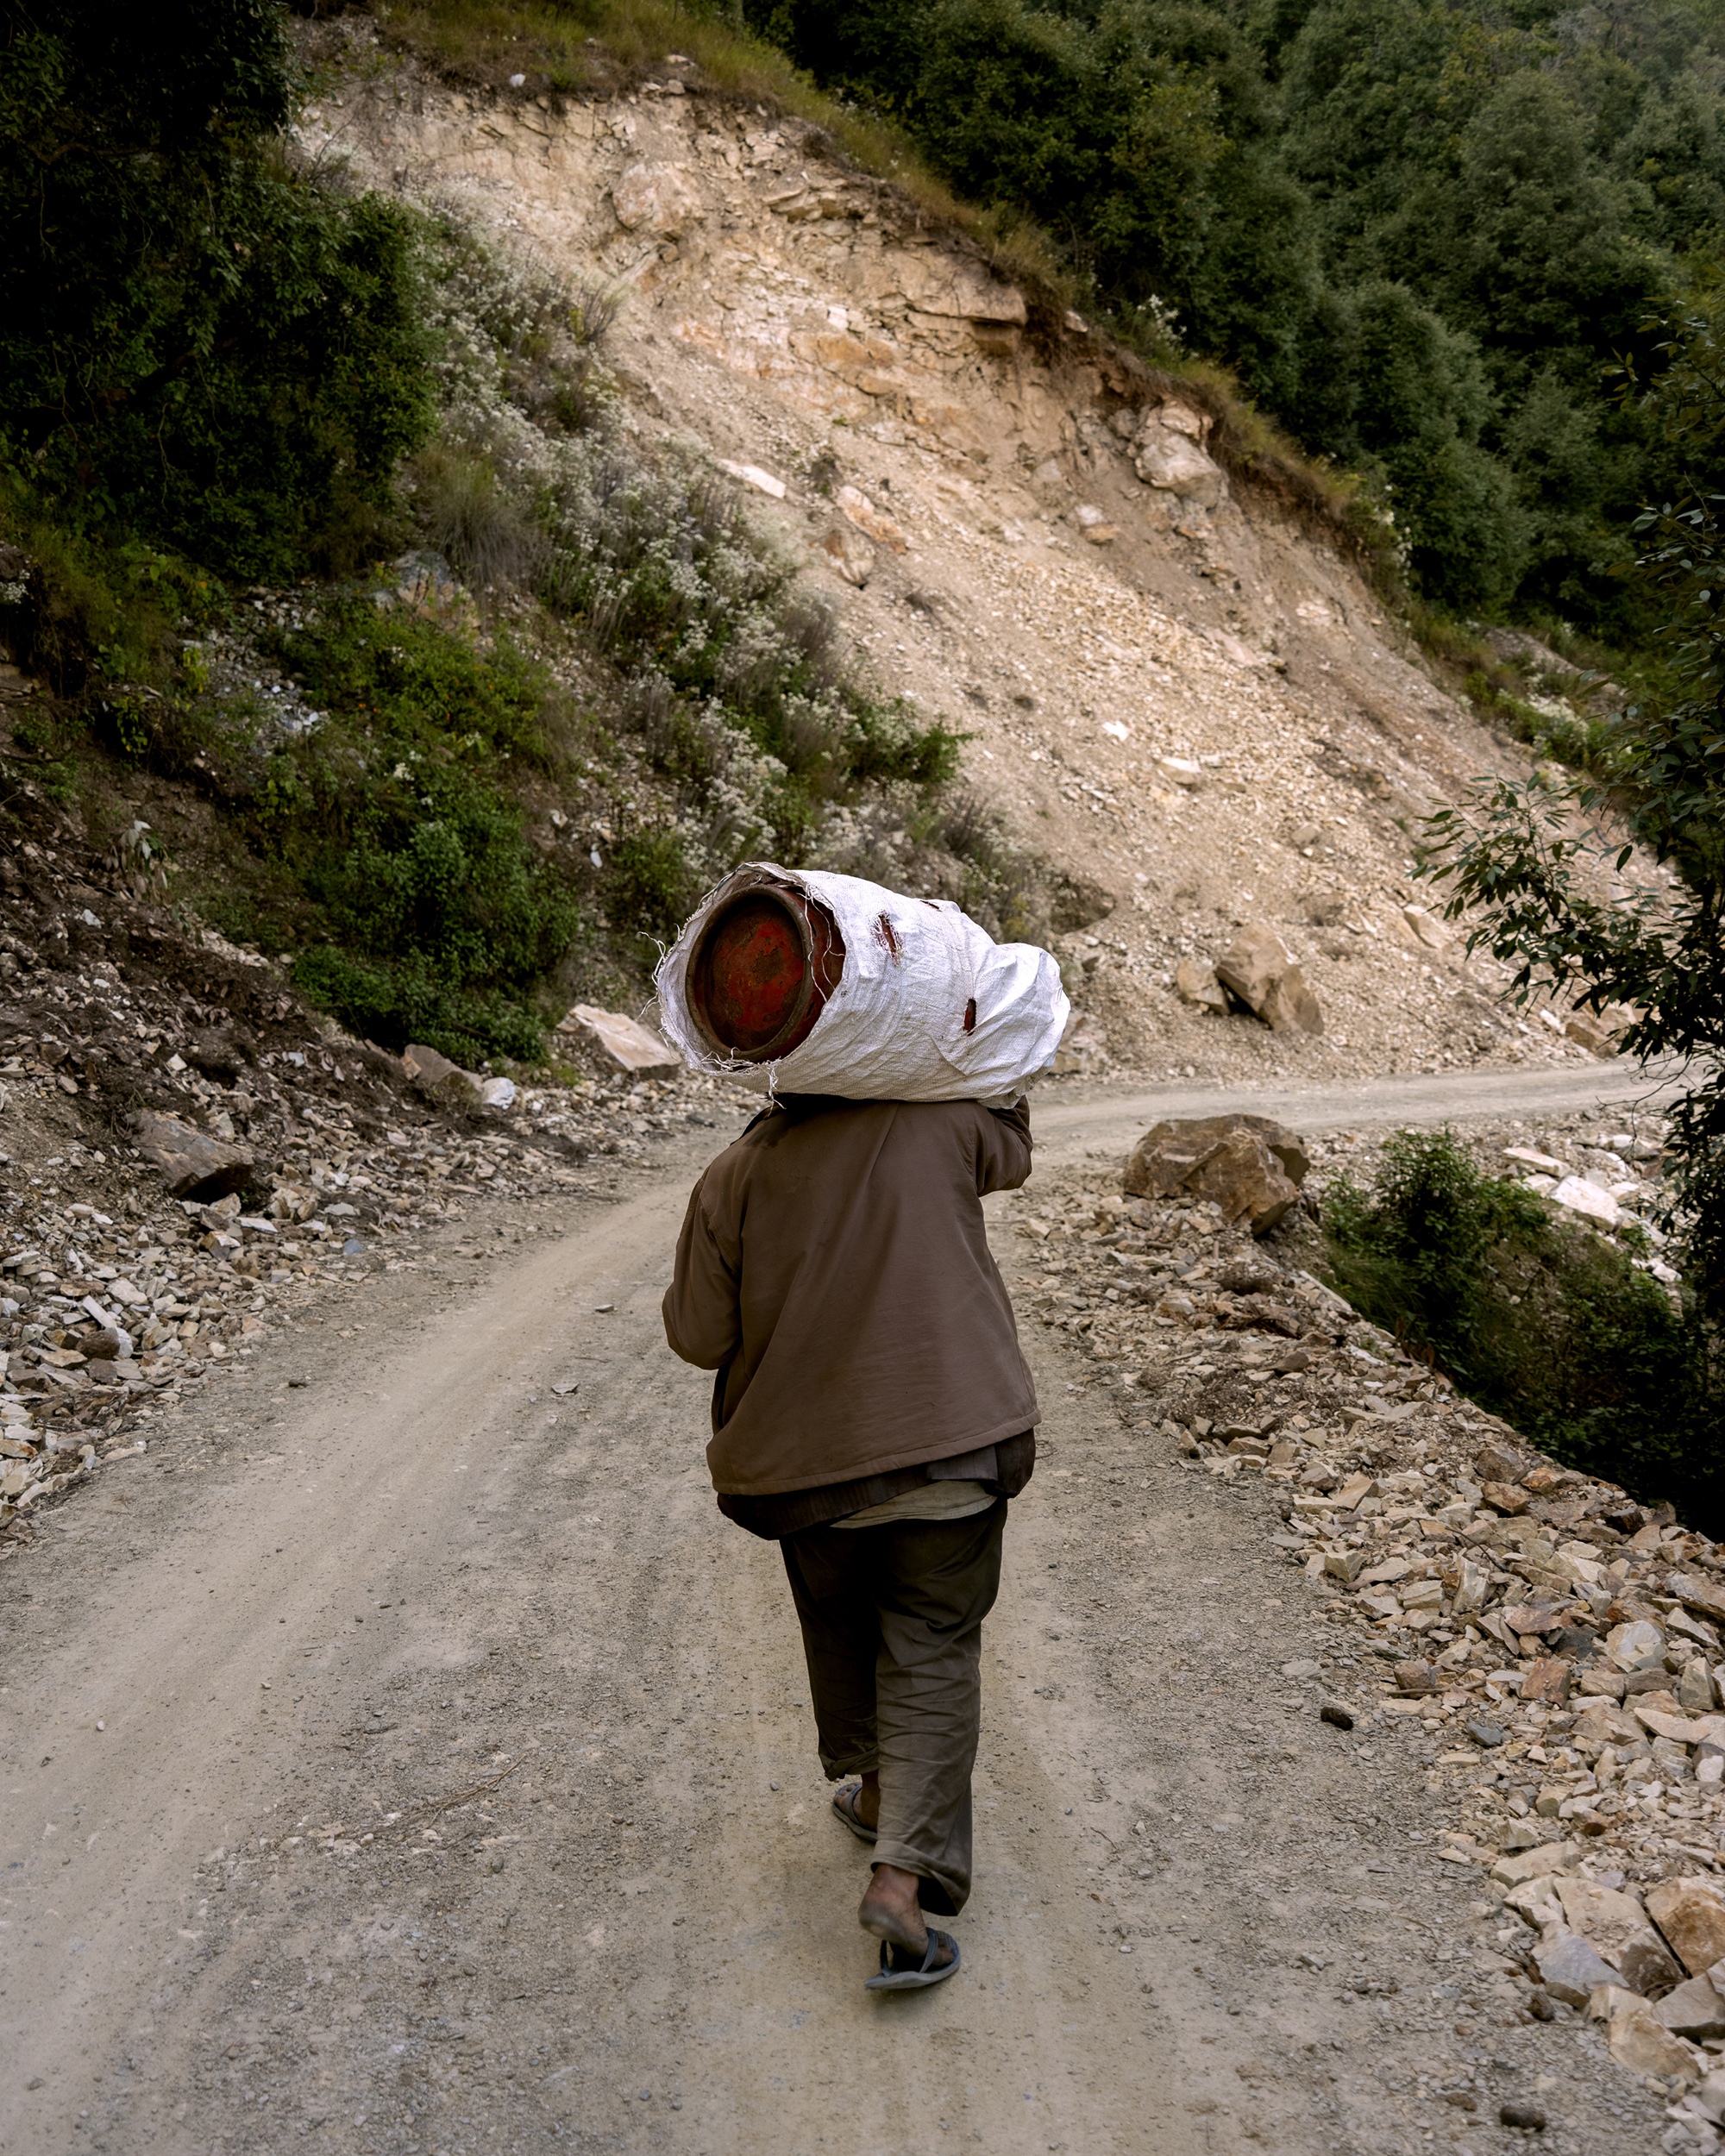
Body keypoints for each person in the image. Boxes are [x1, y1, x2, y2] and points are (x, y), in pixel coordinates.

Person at [662, 1090, 1039, 1991]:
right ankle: (900, 1879)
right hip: (952, 1442)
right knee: (930, 1643)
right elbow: (1012, 1153)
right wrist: (995, 1079)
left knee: (839, 1621)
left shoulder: (735, 1172)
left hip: (807, 1472)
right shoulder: (945, 1126)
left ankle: (875, 1793)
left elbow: (696, 1335)